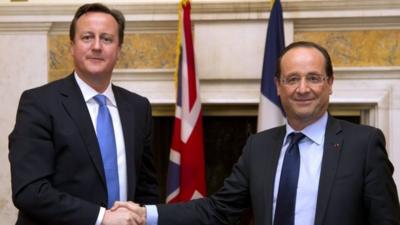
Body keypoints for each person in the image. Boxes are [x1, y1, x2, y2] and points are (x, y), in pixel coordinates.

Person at [112, 41, 400, 225]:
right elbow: (217, 210)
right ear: (278, 86)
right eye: (292, 79)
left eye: (313, 78)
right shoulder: (259, 147)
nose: (302, 88)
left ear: (329, 83)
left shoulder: (363, 144)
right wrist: (145, 213)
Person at [8, 3, 159, 225]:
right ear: (71, 46)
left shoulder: (138, 108)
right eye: (87, 37)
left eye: (107, 39)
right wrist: (102, 218)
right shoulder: (39, 103)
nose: (97, 46)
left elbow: (147, 187)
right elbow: (30, 191)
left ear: (119, 50)